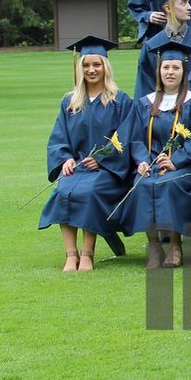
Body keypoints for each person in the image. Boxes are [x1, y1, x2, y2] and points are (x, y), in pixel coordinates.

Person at [41, 37, 135, 272]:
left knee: (89, 192)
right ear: (79, 68)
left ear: (105, 67)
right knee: (62, 191)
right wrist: (65, 158)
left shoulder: (120, 100)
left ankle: (87, 253)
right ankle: (70, 254)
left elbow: (127, 137)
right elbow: (59, 136)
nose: (91, 70)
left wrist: (103, 159)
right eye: (86, 65)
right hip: (78, 168)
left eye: (96, 64)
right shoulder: (70, 102)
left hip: (108, 171)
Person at [124, 41, 191, 269]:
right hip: (151, 165)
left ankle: (175, 244)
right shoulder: (145, 103)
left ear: (184, 71)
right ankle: (153, 245)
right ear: (159, 71)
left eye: (176, 68)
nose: (170, 72)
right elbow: (136, 138)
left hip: (184, 167)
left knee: (168, 184)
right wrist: (142, 161)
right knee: (142, 183)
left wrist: (176, 161)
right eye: (166, 67)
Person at [135, 0, 191, 98]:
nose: (190, 7)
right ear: (168, 8)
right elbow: (145, 86)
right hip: (162, 106)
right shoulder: (151, 45)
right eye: (183, 3)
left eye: (188, 2)